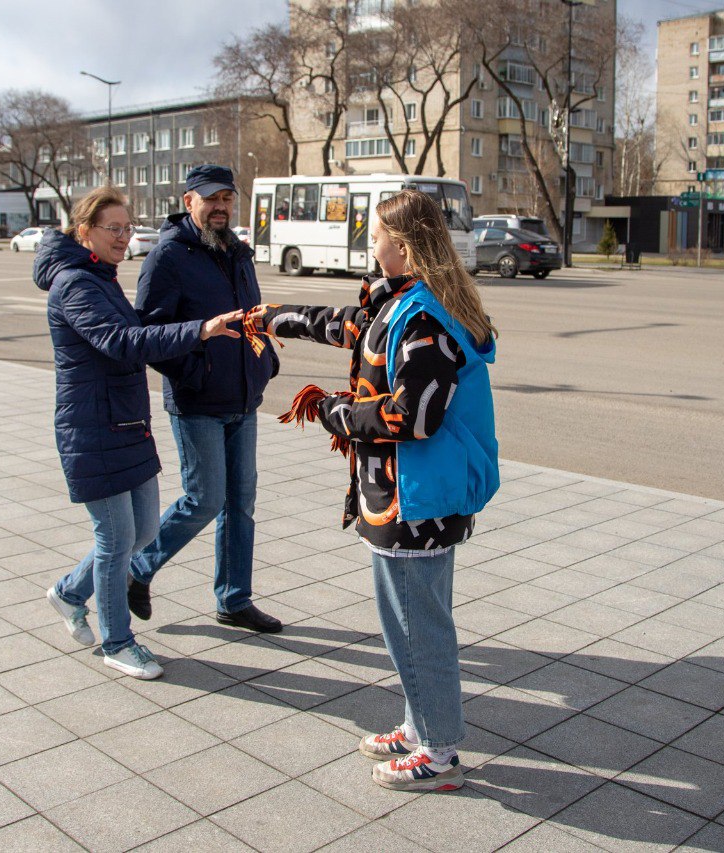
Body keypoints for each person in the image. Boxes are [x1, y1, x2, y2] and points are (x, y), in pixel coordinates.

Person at [248, 189, 499, 792]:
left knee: (418, 627)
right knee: (406, 621)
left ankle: (438, 754)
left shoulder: (423, 320)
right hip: (400, 492)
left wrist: (334, 411)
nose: (371, 241)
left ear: (403, 247)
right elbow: (339, 325)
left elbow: (414, 417)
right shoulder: (399, 301)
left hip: (418, 500)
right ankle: (419, 727)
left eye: (378, 233)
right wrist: (265, 317)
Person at [34, 186, 244, 680]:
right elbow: (121, 341)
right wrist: (199, 329)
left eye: (128, 229)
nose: (124, 238)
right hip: (92, 428)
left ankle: (68, 592)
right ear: (84, 231)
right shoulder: (75, 284)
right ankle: (118, 641)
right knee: (115, 540)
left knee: (144, 532)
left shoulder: (101, 277)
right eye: (114, 229)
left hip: (127, 423)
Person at [127, 165, 283, 633]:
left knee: (241, 503)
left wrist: (265, 360)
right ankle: (137, 568)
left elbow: (249, 316)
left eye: (227, 199)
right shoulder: (168, 257)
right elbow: (149, 334)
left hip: (243, 398)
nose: (220, 207)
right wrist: (196, 372)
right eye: (211, 198)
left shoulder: (237, 252)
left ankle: (234, 600)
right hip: (197, 401)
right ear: (188, 199)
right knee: (204, 499)